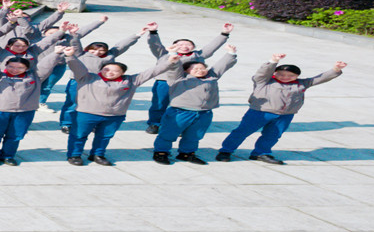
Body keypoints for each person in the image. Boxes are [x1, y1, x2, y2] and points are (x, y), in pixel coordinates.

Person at [216, 54, 347, 164]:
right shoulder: (264, 81)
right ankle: (226, 151)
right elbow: (263, 72)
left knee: (273, 135)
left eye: (290, 75)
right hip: (259, 112)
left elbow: (319, 78)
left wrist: (335, 69)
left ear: (297, 76)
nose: (285, 77)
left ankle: (261, 153)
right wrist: (273, 61)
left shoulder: (301, 84)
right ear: (275, 73)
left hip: (285, 115)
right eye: (281, 74)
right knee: (242, 132)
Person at [62, 48, 176, 166]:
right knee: (79, 135)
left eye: (115, 71)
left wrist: (169, 61)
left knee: (104, 136)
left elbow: (152, 72)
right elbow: (77, 66)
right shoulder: (88, 78)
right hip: (86, 114)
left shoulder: (131, 80)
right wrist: (70, 56)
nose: (110, 72)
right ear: (101, 70)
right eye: (106, 69)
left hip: (114, 116)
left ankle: (97, 154)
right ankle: (74, 155)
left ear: (122, 73)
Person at [0, 46, 61, 166]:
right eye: (11, 66)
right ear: (5, 66)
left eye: (20, 67)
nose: (15, 70)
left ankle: (8, 155)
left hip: (23, 112)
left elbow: (45, 66)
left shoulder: (33, 77)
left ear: (27, 68)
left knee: (16, 135)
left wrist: (56, 53)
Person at [154, 46, 238, 165]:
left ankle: (186, 153)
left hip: (204, 113)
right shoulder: (179, 79)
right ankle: (161, 152)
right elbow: (174, 68)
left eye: (202, 68)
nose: (200, 70)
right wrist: (172, 54)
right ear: (186, 71)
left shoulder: (211, 77)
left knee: (194, 135)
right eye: (195, 69)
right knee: (169, 133)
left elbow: (222, 66)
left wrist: (231, 53)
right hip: (180, 112)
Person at [145, 24, 232, 134]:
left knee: (184, 107)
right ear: (173, 46)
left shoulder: (199, 55)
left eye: (189, 44)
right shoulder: (164, 54)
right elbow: (154, 45)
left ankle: (181, 126)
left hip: (187, 84)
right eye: (180, 44)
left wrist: (224, 33)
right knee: (159, 104)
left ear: (194, 47)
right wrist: (153, 32)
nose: (184, 46)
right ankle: (155, 124)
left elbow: (212, 46)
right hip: (164, 82)